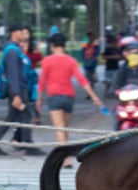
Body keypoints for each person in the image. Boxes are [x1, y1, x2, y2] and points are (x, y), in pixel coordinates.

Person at [38, 33, 104, 161]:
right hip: (68, 97)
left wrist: (39, 98)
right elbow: (82, 80)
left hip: (54, 97)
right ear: (64, 45)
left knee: (59, 128)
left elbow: (42, 82)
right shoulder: (71, 61)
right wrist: (94, 96)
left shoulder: (47, 61)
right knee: (64, 128)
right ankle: (65, 154)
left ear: (52, 45)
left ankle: (65, 159)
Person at [0, 24, 39, 155]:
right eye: (21, 32)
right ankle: (28, 145)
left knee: (14, 116)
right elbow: (13, 75)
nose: (24, 34)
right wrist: (16, 94)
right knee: (25, 115)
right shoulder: (12, 51)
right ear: (14, 33)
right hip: (18, 90)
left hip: (19, 89)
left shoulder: (15, 49)